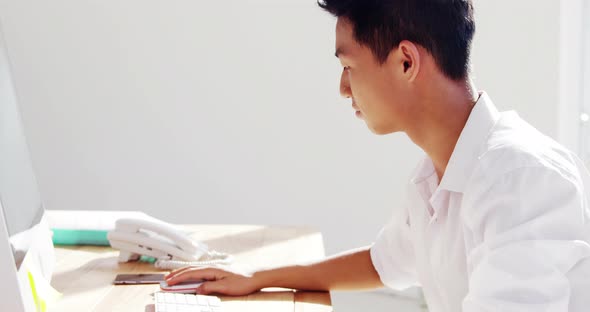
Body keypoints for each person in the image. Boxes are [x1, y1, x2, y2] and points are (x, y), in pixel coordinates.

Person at [166, 0, 590, 311]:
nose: (342, 88)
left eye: (348, 66)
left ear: (406, 62)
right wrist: (259, 278)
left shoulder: (517, 178)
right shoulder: (437, 175)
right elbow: (382, 262)